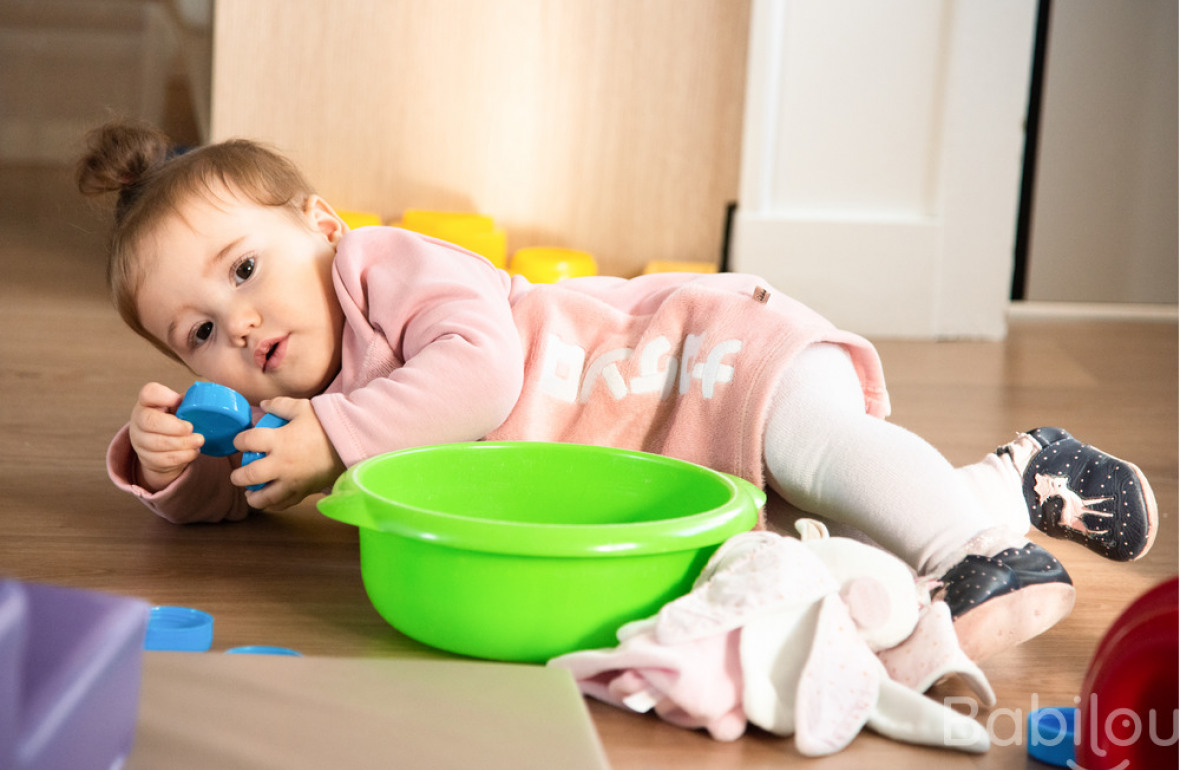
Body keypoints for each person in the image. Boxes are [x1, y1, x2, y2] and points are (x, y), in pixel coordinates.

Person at [77, 120, 1158, 661]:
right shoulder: (293, 411)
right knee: (827, 546)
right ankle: (1016, 481)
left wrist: (332, 438)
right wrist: (177, 467)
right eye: (201, 332)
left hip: (697, 360)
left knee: (822, 451)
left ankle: (975, 553)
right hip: (663, 475)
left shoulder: (380, 268)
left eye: (247, 269)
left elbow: (479, 373)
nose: (243, 324)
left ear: (317, 224)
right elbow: (253, 484)